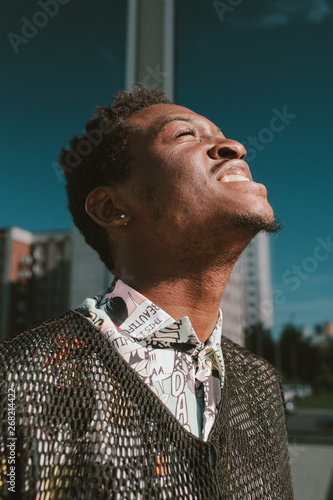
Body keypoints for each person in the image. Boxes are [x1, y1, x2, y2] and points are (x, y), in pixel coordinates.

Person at [0, 85, 294, 499]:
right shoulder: (16, 381)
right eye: (184, 135)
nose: (235, 147)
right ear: (111, 207)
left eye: (221, 134)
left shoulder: (261, 384)